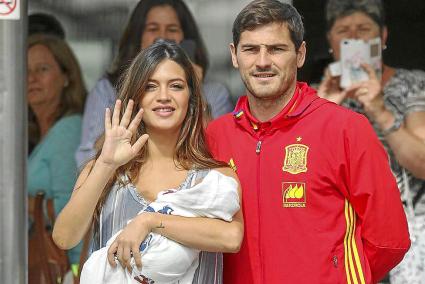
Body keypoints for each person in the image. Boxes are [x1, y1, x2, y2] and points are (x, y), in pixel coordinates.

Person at [206, 1, 410, 283]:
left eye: (276, 49)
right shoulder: (215, 136)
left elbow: (389, 240)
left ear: (300, 54)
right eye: (251, 49)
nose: (263, 61)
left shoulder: (346, 128)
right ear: (234, 55)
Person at [53, 40, 244, 284]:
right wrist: (106, 165)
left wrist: (151, 221)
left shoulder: (216, 176)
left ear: (191, 99)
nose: (163, 96)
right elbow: (65, 238)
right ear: (136, 96)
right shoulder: (104, 169)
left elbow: (231, 238)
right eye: (150, 86)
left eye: (176, 86)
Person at [317, 0, 425, 282]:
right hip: (340, 236)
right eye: (344, 31)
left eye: (364, 29)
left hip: (410, 233)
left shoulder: (413, 84)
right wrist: (324, 109)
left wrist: (380, 109)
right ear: (331, 40)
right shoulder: (316, 95)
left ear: (383, 37)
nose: (354, 37)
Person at [76, 0, 234, 169]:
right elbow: (88, 160)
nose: (163, 37)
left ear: (186, 38)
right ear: (138, 37)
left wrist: (195, 87)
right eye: (153, 29)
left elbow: (217, 155)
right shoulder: (108, 89)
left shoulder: (214, 92)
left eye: (172, 29)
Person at [27, 34, 86, 266]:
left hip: (67, 268)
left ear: (66, 77)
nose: (31, 78)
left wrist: (17, 202)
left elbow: (68, 211)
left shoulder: (67, 131)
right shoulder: (40, 133)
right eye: (25, 70)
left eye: (42, 69)